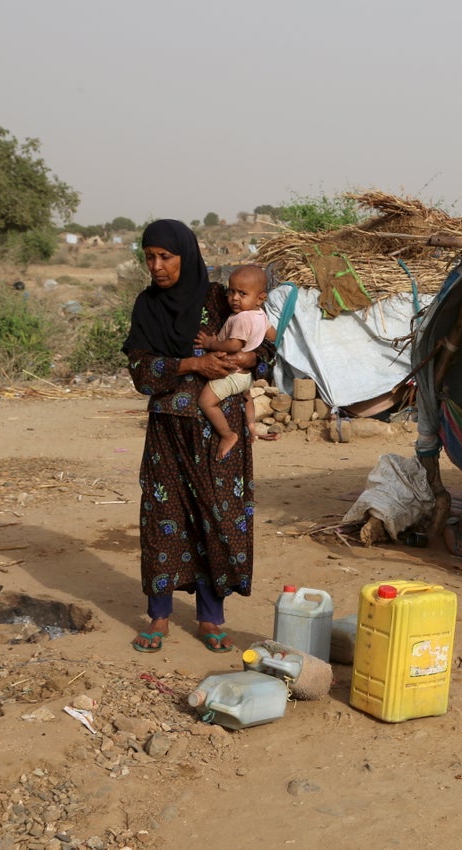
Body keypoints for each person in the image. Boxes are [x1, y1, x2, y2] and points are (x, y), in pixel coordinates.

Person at [122, 220, 272, 654]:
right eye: (149, 257)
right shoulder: (147, 307)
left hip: (217, 433)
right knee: (163, 520)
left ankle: (211, 617)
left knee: (217, 519)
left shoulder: (220, 300)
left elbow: (263, 347)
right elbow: (141, 372)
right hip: (168, 432)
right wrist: (191, 365)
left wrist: (245, 357)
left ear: (186, 255)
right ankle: (159, 616)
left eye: (165, 256)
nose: (157, 265)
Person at [194, 265, 276, 460]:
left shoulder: (241, 318)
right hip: (246, 376)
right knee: (246, 397)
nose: (235, 298)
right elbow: (273, 336)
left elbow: (233, 345)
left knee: (205, 402)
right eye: (231, 291)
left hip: (233, 374)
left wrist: (211, 342)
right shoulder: (261, 315)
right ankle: (251, 426)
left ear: (260, 297)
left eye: (242, 293)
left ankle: (227, 434)